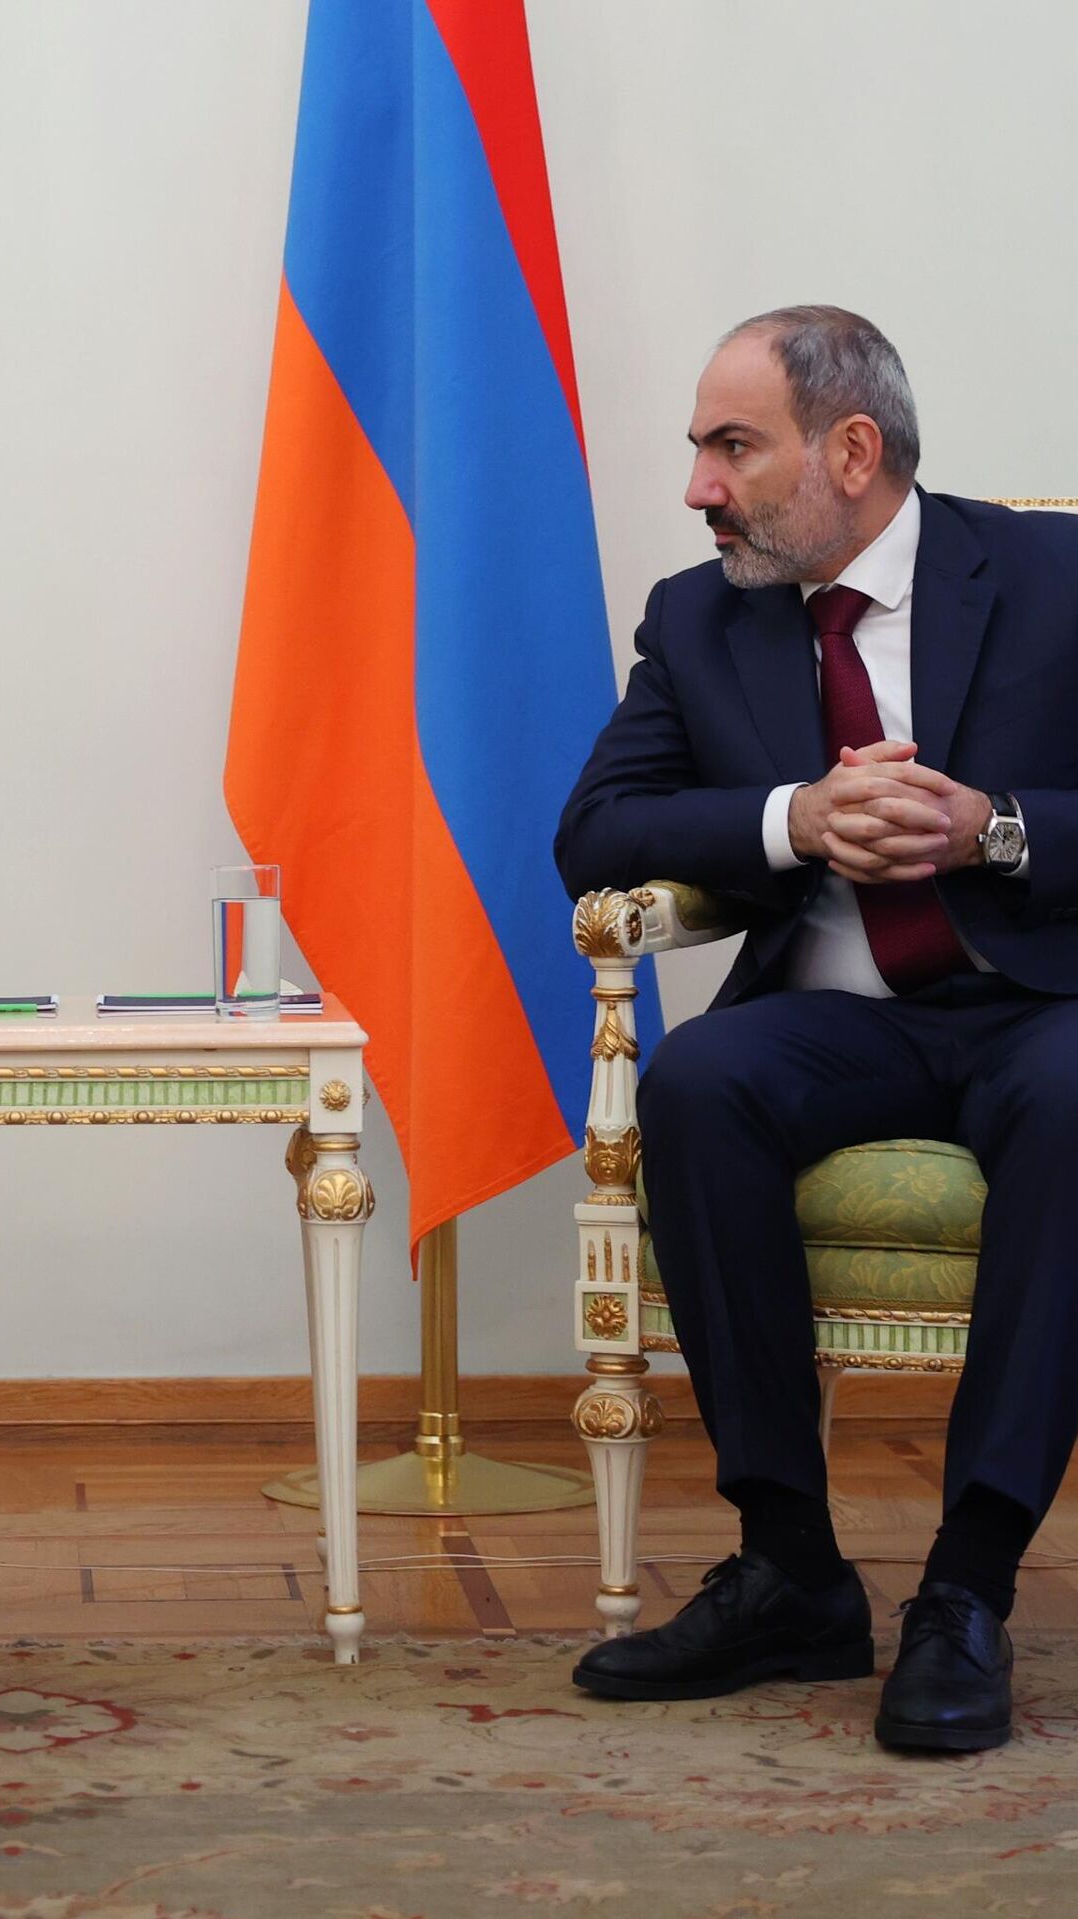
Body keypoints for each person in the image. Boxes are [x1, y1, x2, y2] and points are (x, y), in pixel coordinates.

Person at [555, 305, 1078, 1753]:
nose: (700, 488)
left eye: (734, 448)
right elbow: (596, 831)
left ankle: (967, 1587)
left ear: (852, 451)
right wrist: (795, 820)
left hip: (1043, 1006)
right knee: (699, 1081)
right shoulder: (698, 617)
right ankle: (790, 1566)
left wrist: (996, 829)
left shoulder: (1053, 576)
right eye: (699, 450)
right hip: (842, 1019)